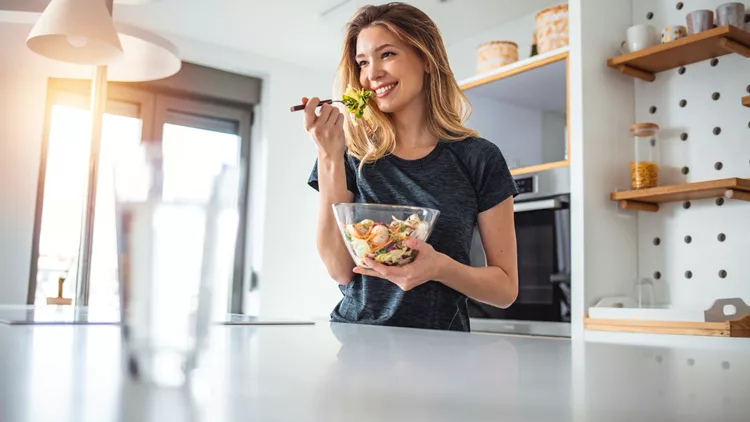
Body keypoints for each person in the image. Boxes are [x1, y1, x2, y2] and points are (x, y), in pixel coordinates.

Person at [302, 2, 519, 332]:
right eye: (363, 62)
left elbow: (505, 290)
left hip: (443, 353)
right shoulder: (349, 153)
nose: (372, 73)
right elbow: (339, 269)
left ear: (426, 59)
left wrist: (438, 267)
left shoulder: (480, 159)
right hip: (358, 344)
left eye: (387, 54)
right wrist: (329, 156)